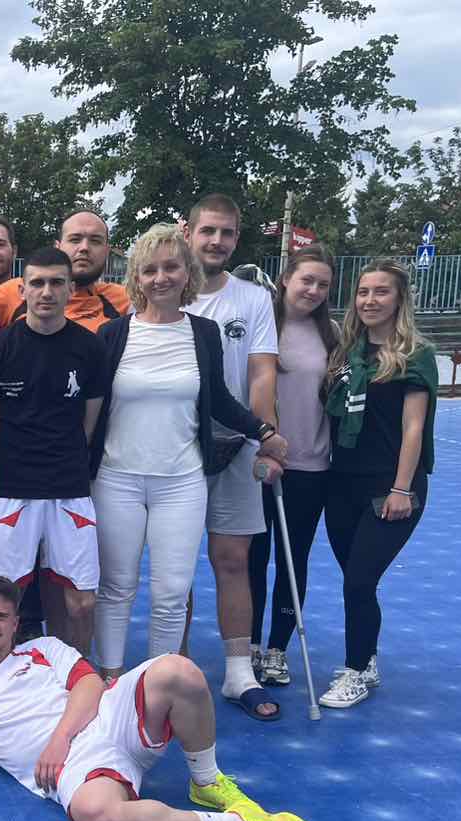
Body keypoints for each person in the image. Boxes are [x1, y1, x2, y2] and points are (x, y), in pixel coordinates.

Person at [0, 574, 310, 821]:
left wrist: (60, 739)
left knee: (178, 670)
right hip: (75, 769)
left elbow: (90, 684)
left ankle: (206, 782)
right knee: (97, 816)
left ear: (14, 623)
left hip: (108, 720)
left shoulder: (44, 648)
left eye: (1, 617)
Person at [91, 226, 287, 674]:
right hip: (117, 480)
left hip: (181, 482)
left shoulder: (204, 333)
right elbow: (90, 406)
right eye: (150, 270)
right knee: (116, 587)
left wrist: (264, 431)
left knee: (172, 592)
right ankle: (112, 678)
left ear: (187, 273)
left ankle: (160, 681)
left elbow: (219, 399)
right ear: (136, 278)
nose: (161, 278)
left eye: (171, 267)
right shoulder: (112, 334)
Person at [0, 247, 107, 655]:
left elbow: (88, 425)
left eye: (56, 283)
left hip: (69, 489)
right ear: (22, 289)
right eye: (38, 283)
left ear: (70, 289)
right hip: (13, 490)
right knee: (1, 598)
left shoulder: (90, 348)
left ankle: (75, 676)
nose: (47, 292)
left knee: (81, 602)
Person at [319, 260, 438, 709]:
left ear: (399, 299)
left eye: (381, 292)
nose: (370, 300)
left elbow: (413, 428)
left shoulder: (413, 356)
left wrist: (402, 488)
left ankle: (355, 672)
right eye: (363, 291)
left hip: (390, 487)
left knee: (359, 580)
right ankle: (366, 659)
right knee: (357, 581)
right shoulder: (346, 352)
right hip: (342, 482)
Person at [183, 193, 283, 721]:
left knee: (232, 560)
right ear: (188, 233)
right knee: (176, 565)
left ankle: (239, 672)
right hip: (177, 447)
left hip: (237, 442)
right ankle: (172, 667)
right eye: (208, 231)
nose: (216, 241)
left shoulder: (254, 299)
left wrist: (265, 436)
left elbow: (262, 372)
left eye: (226, 233)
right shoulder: (164, 291)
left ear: (236, 238)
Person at [248, 244, 336, 687]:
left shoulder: (332, 335)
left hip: (310, 466)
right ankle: (248, 644)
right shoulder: (262, 326)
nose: (313, 290)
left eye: (323, 284)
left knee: (292, 557)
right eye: (306, 280)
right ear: (285, 280)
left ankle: (278, 648)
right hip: (258, 463)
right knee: (252, 557)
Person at [0, 210, 131, 333]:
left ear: (107, 251)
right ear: (58, 246)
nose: (84, 248)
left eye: (95, 241)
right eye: (75, 239)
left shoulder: (124, 299)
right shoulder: (15, 291)